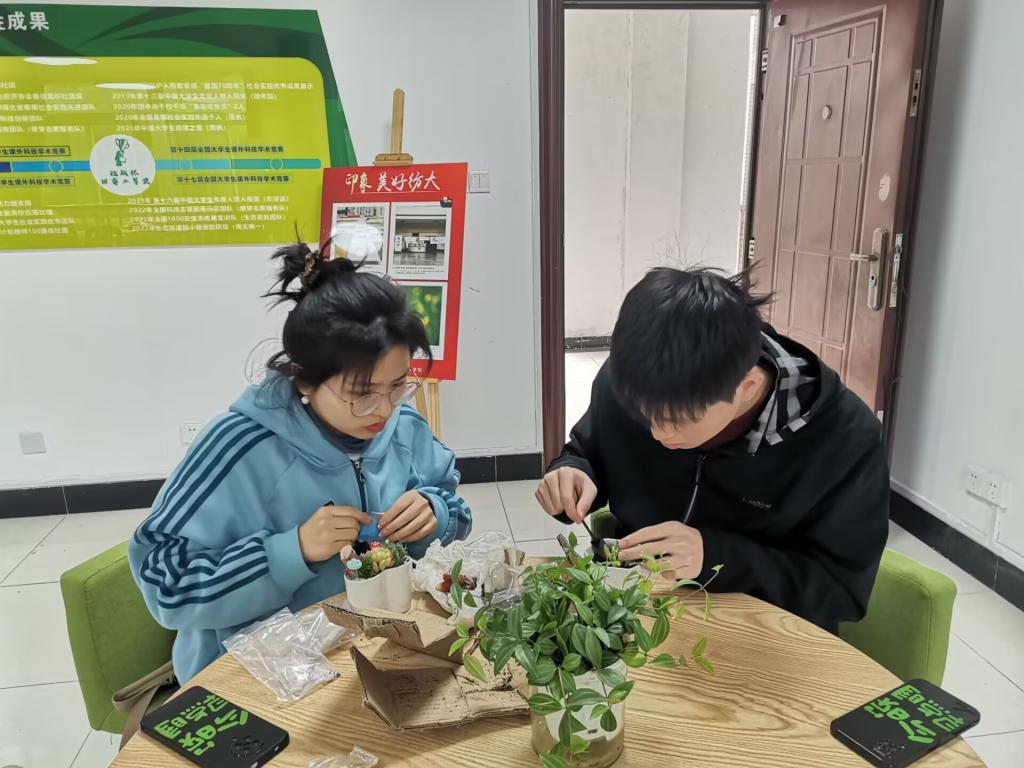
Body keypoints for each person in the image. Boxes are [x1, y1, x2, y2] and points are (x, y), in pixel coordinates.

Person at [130, 242, 472, 683]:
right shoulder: (238, 446)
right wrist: (291, 551)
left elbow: (454, 509)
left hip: (376, 652)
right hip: (258, 676)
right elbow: (165, 583)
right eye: (361, 394)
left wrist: (435, 512)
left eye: (398, 384)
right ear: (305, 381)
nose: (385, 409)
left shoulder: (403, 427)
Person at [536, 267, 888, 633]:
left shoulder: (844, 441)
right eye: (643, 413)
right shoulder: (635, 382)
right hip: (636, 614)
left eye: (676, 419)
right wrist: (573, 469)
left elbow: (839, 592)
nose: (656, 432)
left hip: (762, 634)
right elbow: (590, 448)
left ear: (747, 387)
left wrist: (716, 558)